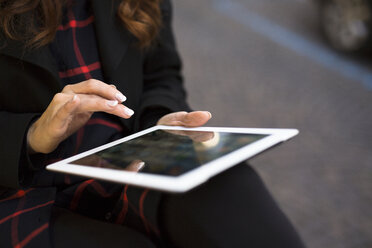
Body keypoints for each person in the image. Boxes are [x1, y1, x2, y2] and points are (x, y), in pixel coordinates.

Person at [0, 0, 305, 247]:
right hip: (23, 188)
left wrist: (160, 120)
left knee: (231, 191)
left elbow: (161, 74)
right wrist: (31, 136)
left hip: (130, 161)